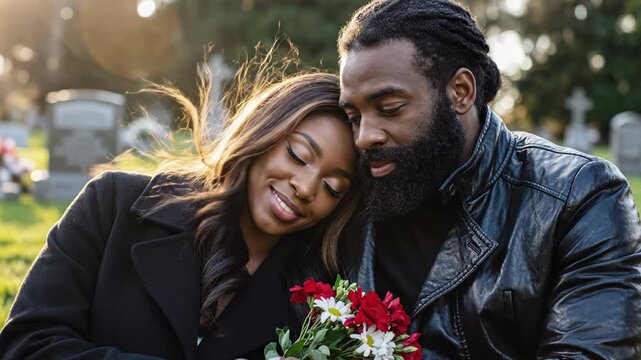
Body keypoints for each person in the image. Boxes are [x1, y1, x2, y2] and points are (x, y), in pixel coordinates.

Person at [336, 0, 641, 358]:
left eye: (389, 108)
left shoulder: (578, 196)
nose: (364, 137)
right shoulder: (344, 198)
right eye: (354, 116)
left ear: (460, 92)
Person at [0, 72, 360, 359]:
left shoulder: (320, 300)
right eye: (298, 155)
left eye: (332, 187)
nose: (306, 188)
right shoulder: (112, 205)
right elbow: (26, 343)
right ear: (262, 134)